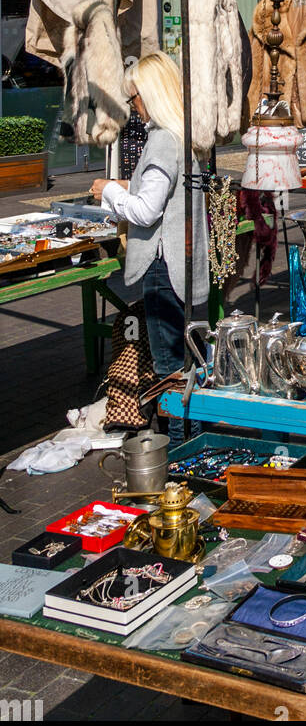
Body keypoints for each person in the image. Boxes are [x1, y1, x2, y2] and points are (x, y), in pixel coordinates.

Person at [90, 52, 209, 444]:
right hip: (182, 262)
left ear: (151, 94)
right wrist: (126, 187)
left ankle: (180, 450)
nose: (133, 107)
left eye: (135, 97)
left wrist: (109, 190)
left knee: (171, 367)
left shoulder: (161, 141)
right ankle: (193, 440)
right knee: (191, 362)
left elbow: (145, 211)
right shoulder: (182, 137)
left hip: (163, 265)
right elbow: (163, 194)